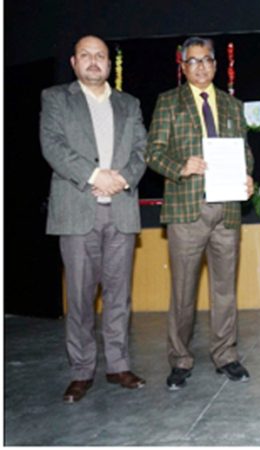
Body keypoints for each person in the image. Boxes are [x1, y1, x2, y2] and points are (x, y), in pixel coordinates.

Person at [40, 35, 148, 403]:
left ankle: (118, 365)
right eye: (85, 55)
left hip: (120, 209)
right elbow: (52, 145)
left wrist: (124, 178)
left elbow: (141, 150)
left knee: (119, 297)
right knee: (81, 297)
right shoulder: (55, 99)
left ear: (108, 63)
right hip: (77, 210)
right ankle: (81, 371)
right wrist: (94, 175)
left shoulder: (129, 103)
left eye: (100, 56)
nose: (93, 61)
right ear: (73, 62)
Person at [146, 36, 254, 390]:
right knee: (183, 292)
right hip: (187, 211)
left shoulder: (231, 105)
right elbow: (153, 153)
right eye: (193, 61)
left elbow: (246, 153)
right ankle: (180, 360)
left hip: (227, 209)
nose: (201, 66)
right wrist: (182, 166)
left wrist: (248, 176)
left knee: (225, 290)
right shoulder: (168, 102)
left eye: (207, 59)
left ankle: (226, 354)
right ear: (183, 65)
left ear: (215, 64)